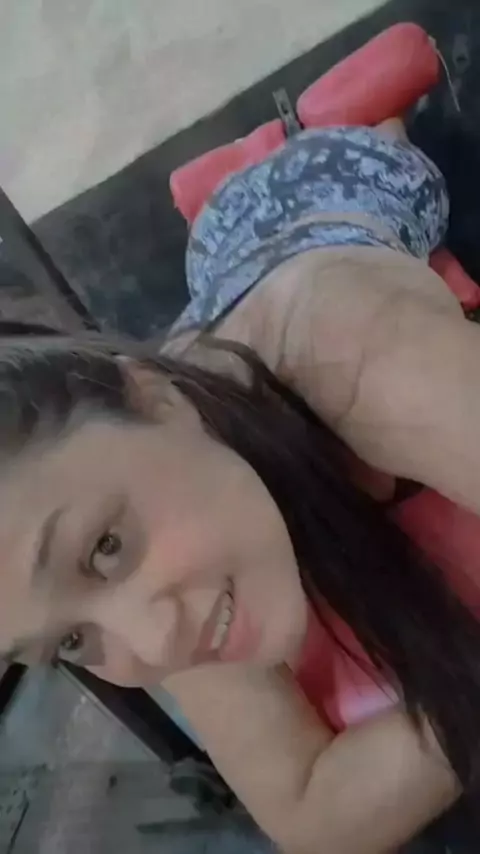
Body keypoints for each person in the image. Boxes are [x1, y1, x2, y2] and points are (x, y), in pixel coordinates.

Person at [1, 119, 480, 853]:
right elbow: (310, 817)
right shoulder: (134, 508)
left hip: (325, 185)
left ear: (153, 398)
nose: (157, 643)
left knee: (379, 157)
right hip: (216, 300)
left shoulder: (364, 358)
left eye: (105, 548)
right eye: (69, 641)